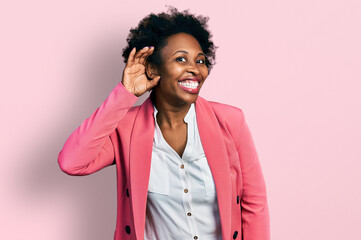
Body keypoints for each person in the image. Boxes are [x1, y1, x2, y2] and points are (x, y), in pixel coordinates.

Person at [58, 7, 270, 240]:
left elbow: (254, 202)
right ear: (152, 68)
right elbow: (72, 162)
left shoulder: (230, 122)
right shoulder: (126, 129)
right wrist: (125, 93)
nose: (195, 69)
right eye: (181, 59)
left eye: (200, 60)